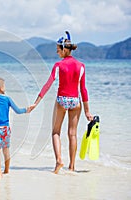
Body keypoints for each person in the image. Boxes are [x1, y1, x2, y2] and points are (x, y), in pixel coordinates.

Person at [29, 31, 93, 174]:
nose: (57, 53)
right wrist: (87, 111)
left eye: (58, 50)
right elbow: (83, 89)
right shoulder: (81, 66)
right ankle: (72, 166)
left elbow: (48, 84)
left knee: (55, 132)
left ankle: (59, 160)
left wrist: (36, 102)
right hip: (76, 101)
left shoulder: (58, 65)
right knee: (72, 134)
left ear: (64, 49)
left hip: (62, 100)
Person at [0, 77, 31, 178]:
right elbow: (17, 110)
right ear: (0, 88)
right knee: (6, 150)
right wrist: (27, 110)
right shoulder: (7, 99)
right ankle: (7, 170)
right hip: (5, 129)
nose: (5, 87)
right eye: (4, 86)